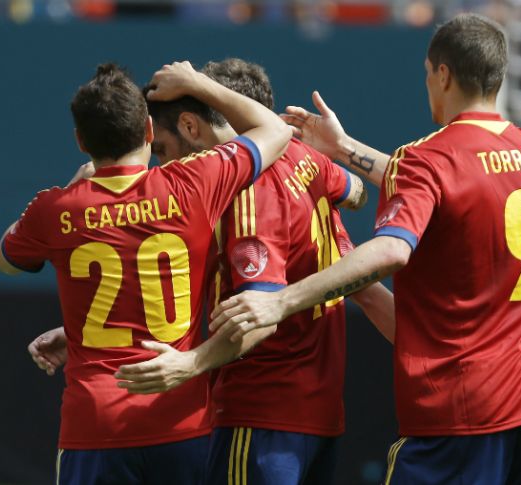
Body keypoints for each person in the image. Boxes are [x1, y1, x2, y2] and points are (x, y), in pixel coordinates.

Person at [210, 14, 521, 485]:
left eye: (428, 73)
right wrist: (342, 149)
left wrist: (279, 299)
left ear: (442, 74)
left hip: (463, 413)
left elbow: (393, 248)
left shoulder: (429, 157)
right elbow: (451, 186)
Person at [29, 58, 395, 485]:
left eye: (161, 151)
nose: (160, 167)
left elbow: (259, 317)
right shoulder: (303, 157)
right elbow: (354, 195)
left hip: (258, 413)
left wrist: (190, 363)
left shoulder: (245, 197)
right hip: (319, 412)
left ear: (190, 126)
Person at [0, 61, 291, 484]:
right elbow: (275, 130)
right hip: (180, 422)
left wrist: (74, 187)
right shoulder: (194, 182)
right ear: (150, 132)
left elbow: (4, 259)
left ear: (81, 142)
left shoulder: (55, 209)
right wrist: (197, 83)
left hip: (94, 425)